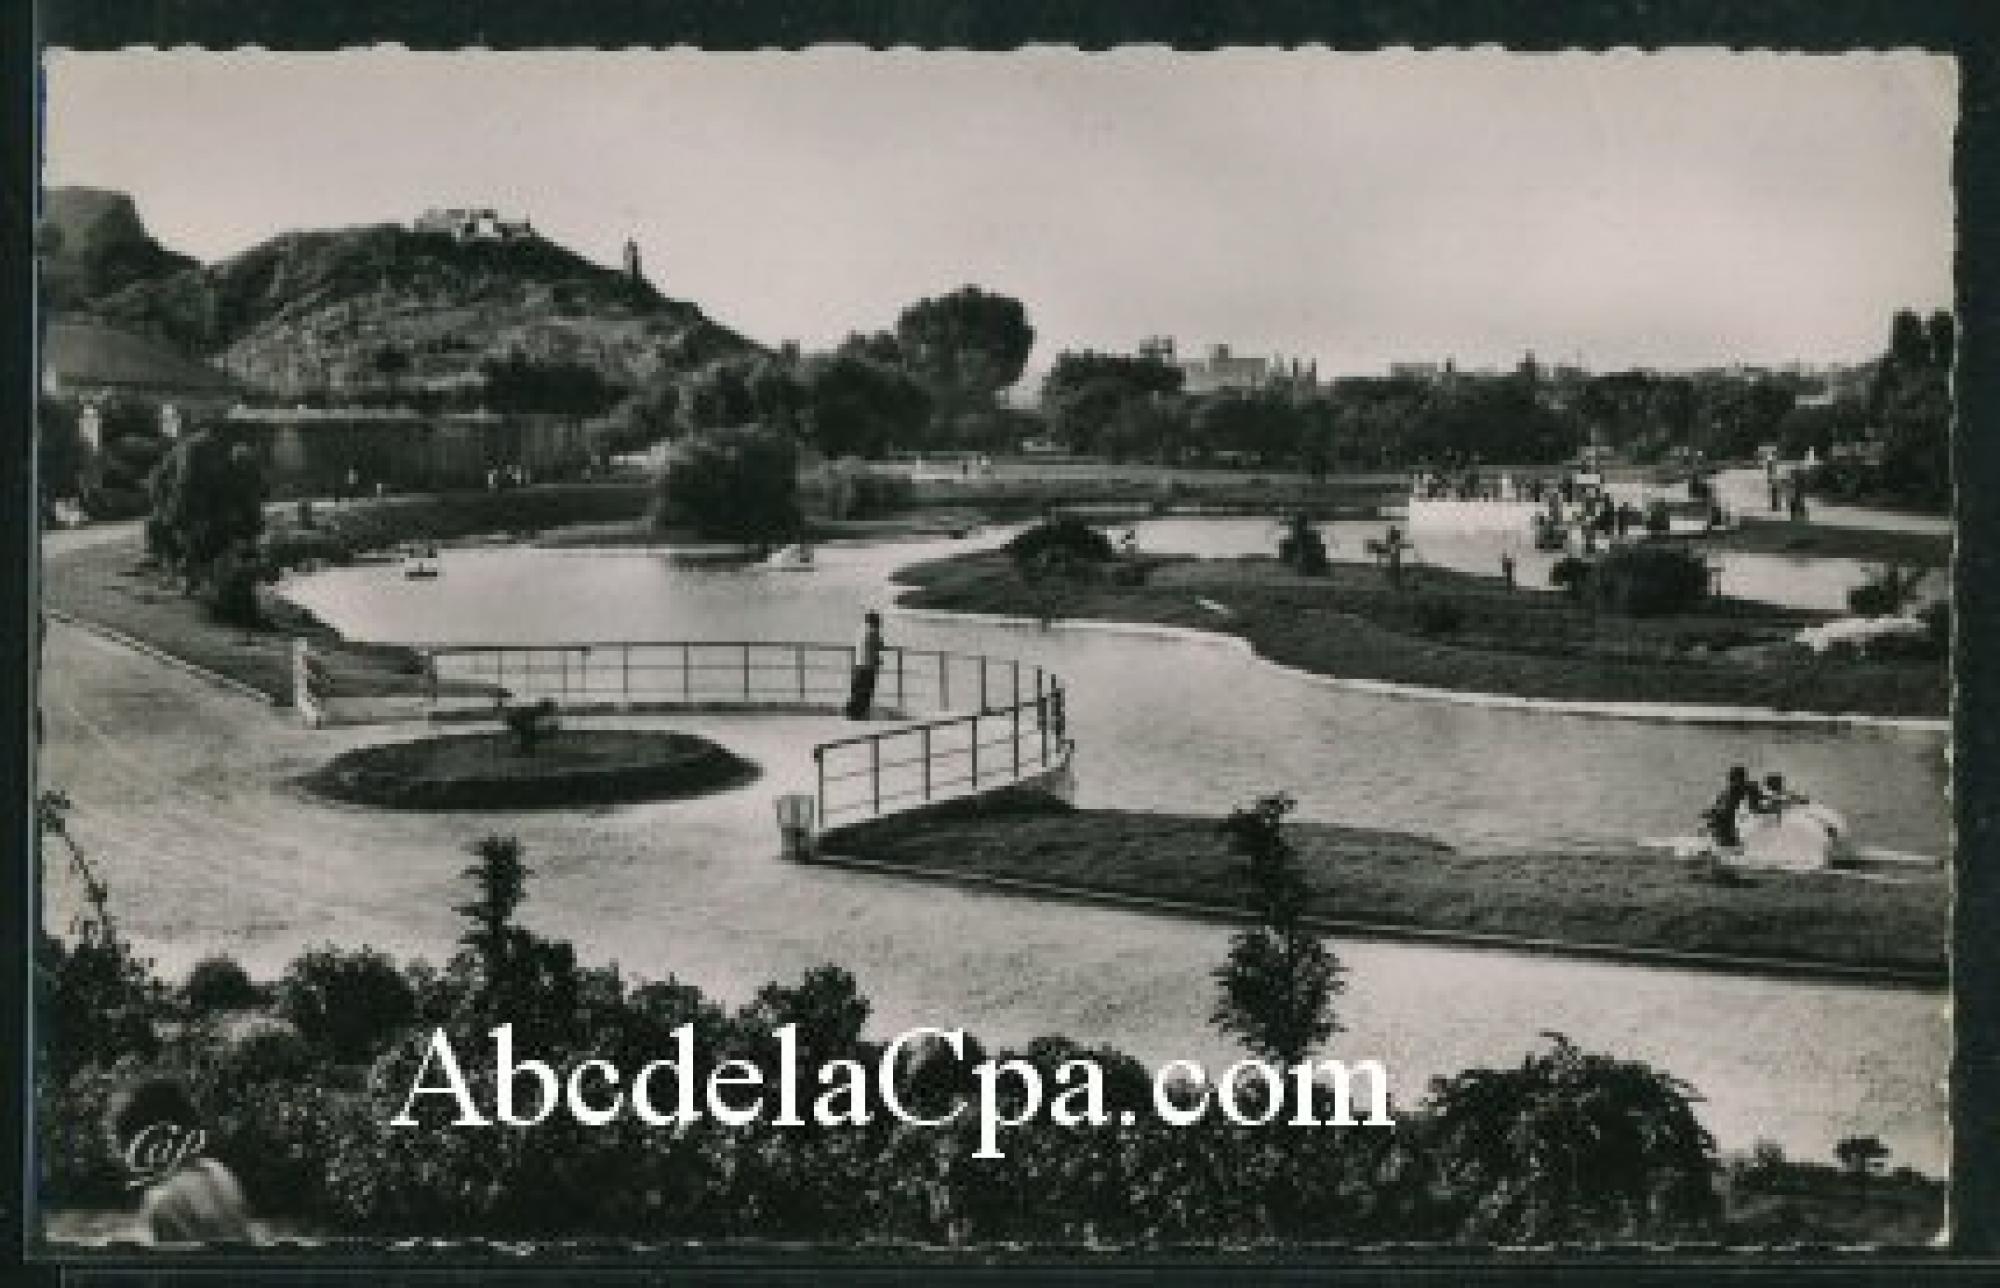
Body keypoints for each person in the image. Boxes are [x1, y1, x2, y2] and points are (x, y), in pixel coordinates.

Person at [107, 1075, 251, 1245]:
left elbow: (173, 1270)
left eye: (122, 1140)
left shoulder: (164, 1202)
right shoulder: (218, 1172)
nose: (118, 1154)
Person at [1703, 765, 1764, 850]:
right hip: (1727, 831)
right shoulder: (1728, 794)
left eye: (1734, 778)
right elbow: (1716, 810)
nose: (1732, 781)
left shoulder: (1746, 790)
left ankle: (1726, 844)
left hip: (1732, 830)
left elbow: (1757, 808)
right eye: (1732, 779)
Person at [847, 611, 885, 719]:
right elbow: (879, 646)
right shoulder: (873, 632)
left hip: (858, 664)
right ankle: (861, 714)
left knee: (856, 690)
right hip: (868, 666)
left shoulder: (861, 631)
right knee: (865, 691)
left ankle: (852, 713)